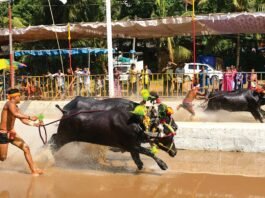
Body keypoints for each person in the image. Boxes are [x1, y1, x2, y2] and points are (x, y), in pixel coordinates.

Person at [0, 88, 43, 176]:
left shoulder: (16, 107)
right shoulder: (9, 104)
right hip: (3, 133)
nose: (20, 98)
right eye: (19, 96)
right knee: (3, 158)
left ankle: (33, 170)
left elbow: (23, 120)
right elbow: (15, 114)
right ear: (14, 97)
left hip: (11, 133)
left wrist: (34, 124)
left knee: (26, 148)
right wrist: (30, 117)